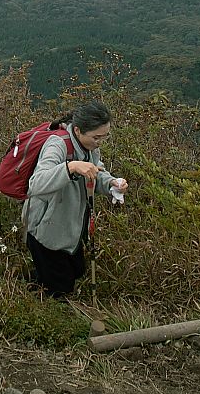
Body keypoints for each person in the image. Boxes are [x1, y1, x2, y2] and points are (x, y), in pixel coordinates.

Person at [22, 99, 128, 297]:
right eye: (96, 138)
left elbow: (94, 171)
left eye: (104, 137)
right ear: (78, 130)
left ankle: (34, 286)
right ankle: (52, 314)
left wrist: (111, 183)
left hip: (71, 224)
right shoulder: (58, 145)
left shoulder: (88, 146)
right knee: (60, 287)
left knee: (76, 270)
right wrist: (70, 167)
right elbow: (36, 184)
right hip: (46, 229)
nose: (99, 143)